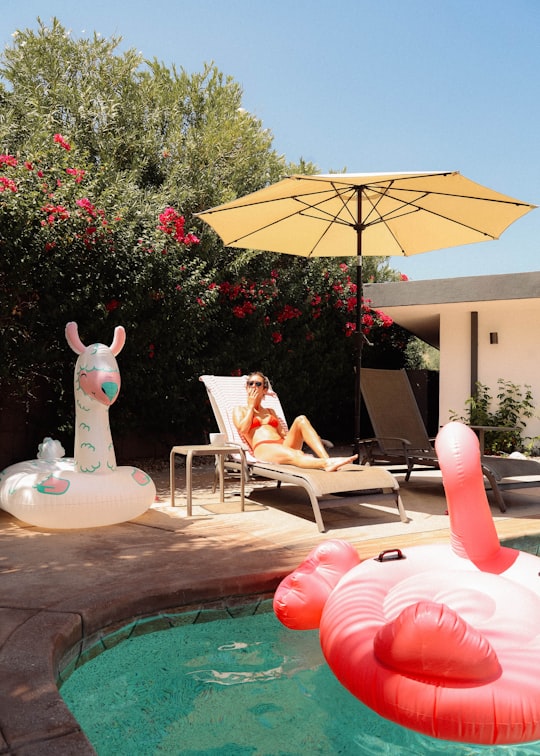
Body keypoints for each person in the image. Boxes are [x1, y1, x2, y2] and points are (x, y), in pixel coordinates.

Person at [233, 372, 357, 471]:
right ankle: (326, 463)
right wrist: (251, 406)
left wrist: (308, 436)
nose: (254, 386)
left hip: (282, 444)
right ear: (246, 387)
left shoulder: (270, 411)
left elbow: (284, 435)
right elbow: (243, 430)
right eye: (250, 384)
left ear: (264, 390)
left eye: (258, 384)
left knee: (301, 419)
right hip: (263, 447)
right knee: (297, 455)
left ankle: (327, 460)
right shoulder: (240, 410)